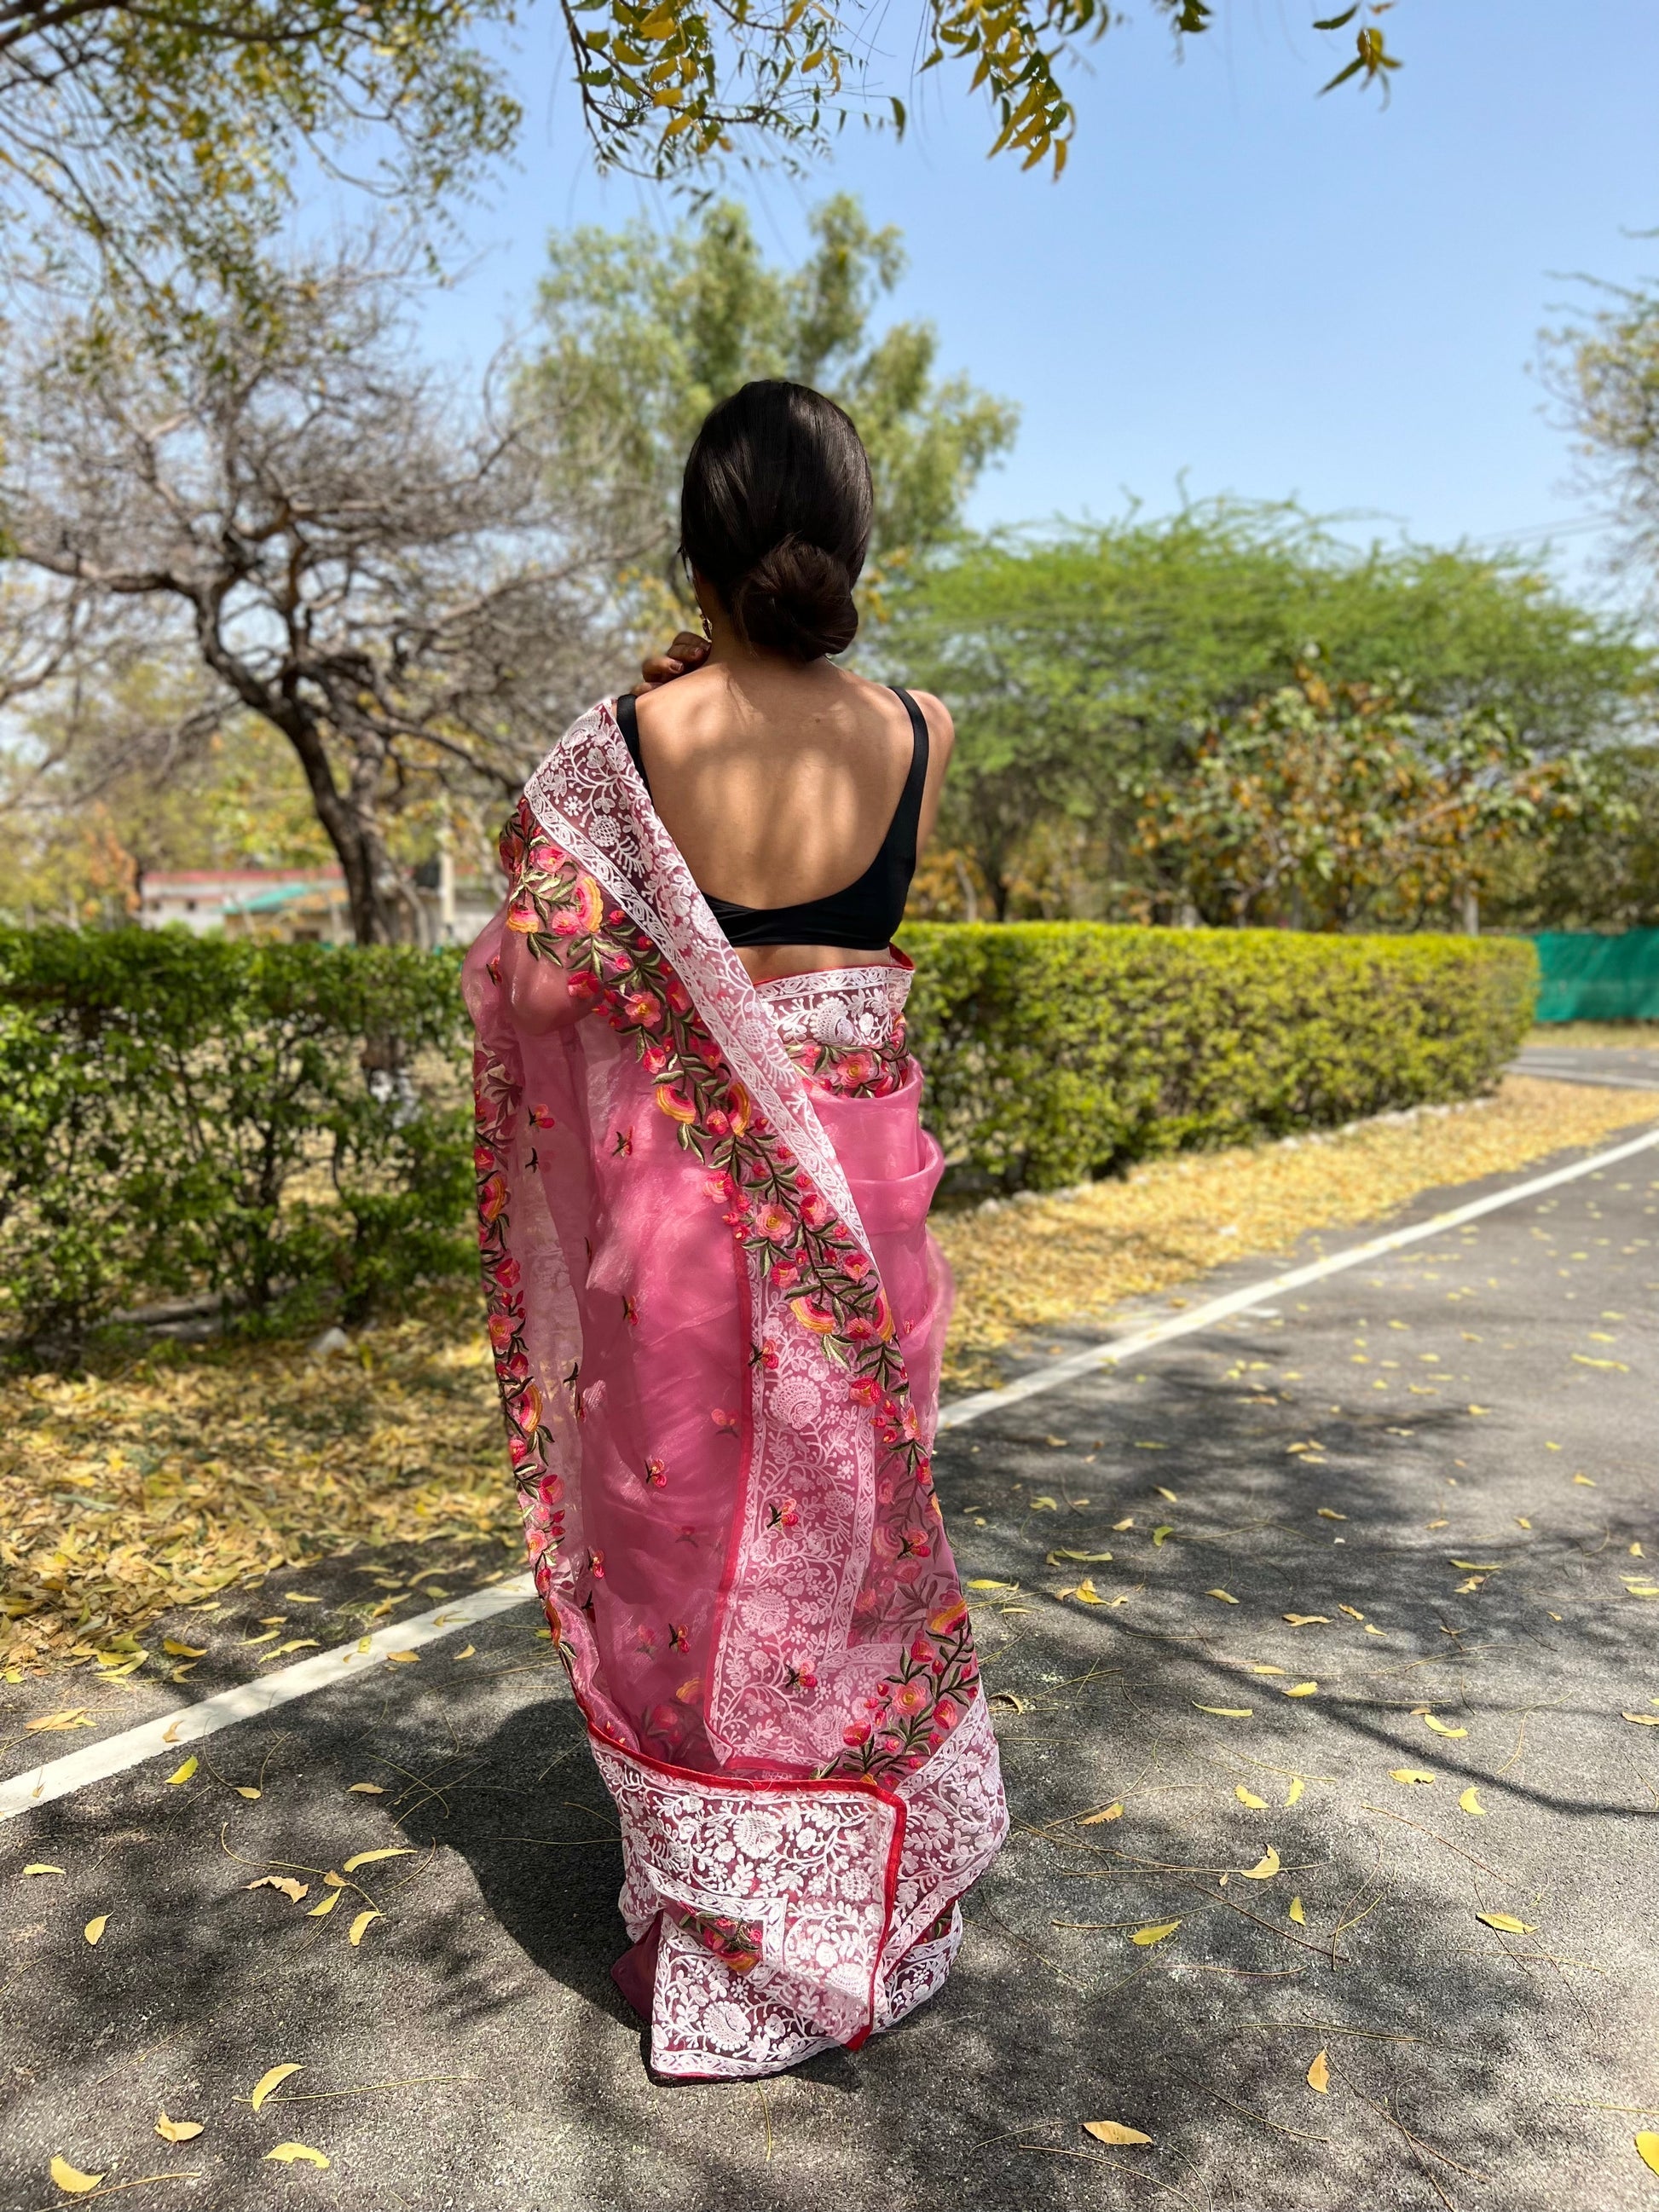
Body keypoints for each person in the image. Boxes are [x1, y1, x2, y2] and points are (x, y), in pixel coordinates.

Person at [462, 379, 1007, 2082]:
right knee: (847, 1547)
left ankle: (717, 1918)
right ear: (851, 543)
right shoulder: (913, 728)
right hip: (863, 1193)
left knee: (684, 1547)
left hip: (685, 1212)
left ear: (692, 548)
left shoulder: (623, 745)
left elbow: (540, 975)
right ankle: (864, 1888)